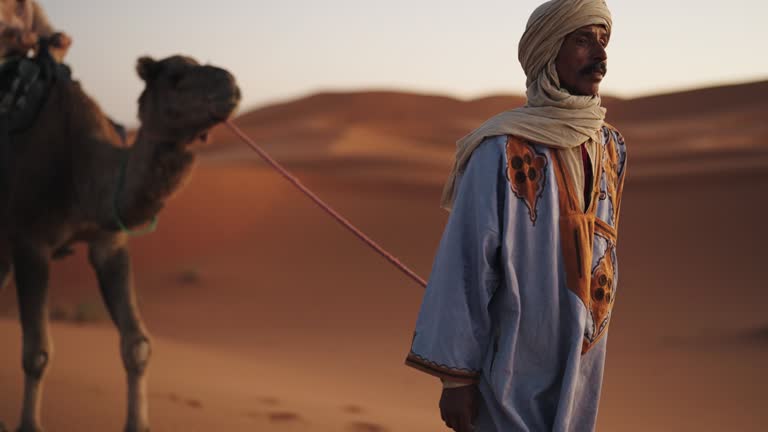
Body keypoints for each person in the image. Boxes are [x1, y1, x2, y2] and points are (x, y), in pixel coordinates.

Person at [405, 1, 628, 431]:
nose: (600, 56)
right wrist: (456, 378)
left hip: (581, 358)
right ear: (547, 50)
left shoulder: (612, 147)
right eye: (583, 40)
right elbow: (467, 262)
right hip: (507, 364)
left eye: (604, 41)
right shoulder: (501, 149)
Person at [0, 0, 71, 63]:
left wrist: (58, 38)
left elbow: (45, 29)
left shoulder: (31, 6)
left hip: (19, 64)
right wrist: (16, 35)